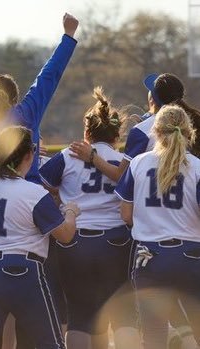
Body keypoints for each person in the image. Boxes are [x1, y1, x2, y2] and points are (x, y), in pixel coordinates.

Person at [0, 125, 80, 349]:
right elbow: (65, 235)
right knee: (51, 343)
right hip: (20, 271)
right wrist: (71, 212)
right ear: (28, 154)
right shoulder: (33, 192)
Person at [40, 87, 139, 349]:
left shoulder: (67, 156)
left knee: (81, 317)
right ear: (117, 135)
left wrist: (61, 199)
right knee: (123, 315)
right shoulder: (123, 161)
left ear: (87, 133)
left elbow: (39, 186)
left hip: (77, 240)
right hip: (117, 241)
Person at [0, 13, 79, 185]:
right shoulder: (25, 114)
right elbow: (48, 76)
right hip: (24, 199)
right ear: (14, 99)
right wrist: (69, 35)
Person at [115, 105, 200, 349]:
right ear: (188, 132)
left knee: (153, 334)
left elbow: (126, 214)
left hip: (150, 256)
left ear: (156, 132)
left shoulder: (139, 163)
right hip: (191, 255)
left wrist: (152, 221)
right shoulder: (196, 166)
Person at [69, 73, 200, 182]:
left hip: (157, 201)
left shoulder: (141, 130)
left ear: (152, 100)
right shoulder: (191, 121)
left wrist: (93, 157)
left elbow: (121, 176)